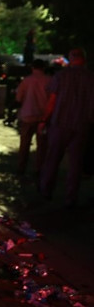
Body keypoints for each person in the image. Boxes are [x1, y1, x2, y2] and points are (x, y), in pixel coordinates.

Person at [39, 48, 94, 207]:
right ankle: (71, 197)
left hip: (60, 123)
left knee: (52, 158)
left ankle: (46, 191)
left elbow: (52, 101)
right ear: (84, 59)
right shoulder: (91, 78)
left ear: (70, 58)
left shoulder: (61, 76)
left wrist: (44, 119)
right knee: (76, 163)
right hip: (82, 125)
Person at [14, 59, 50, 177]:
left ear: (32, 67)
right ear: (44, 68)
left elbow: (18, 98)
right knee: (42, 146)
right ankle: (39, 169)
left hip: (27, 116)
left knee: (24, 144)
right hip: (43, 117)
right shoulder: (49, 80)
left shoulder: (26, 81)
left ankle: (20, 168)